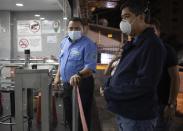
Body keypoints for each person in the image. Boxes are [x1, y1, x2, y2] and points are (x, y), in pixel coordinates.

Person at [104, 0, 167, 131]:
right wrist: (109, 84)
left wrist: (111, 92)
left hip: (137, 117)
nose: (123, 22)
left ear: (141, 18)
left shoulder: (152, 45)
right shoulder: (136, 42)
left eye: (127, 17)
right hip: (126, 112)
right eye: (122, 18)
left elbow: (144, 84)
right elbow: (124, 72)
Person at [53, 17, 97, 131]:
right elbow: (61, 61)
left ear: (83, 29)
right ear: (67, 29)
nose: (73, 31)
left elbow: (90, 67)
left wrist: (78, 74)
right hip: (67, 85)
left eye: (77, 28)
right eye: (71, 28)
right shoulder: (64, 42)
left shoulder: (89, 44)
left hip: (82, 85)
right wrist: (57, 77)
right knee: (69, 113)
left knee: (82, 115)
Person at [150, 18, 180, 131]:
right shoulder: (144, 51)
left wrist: (171, 105)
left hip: (163, 104)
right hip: (147, 103)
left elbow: (175, 78)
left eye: (152, 31)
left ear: (158, 32)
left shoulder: (167, 50)